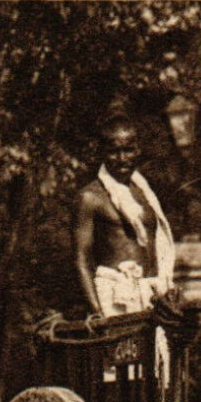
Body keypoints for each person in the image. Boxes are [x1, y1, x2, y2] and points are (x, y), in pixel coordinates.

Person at [74, 114, 177, 321]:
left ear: (138, 150)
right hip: (114, 298)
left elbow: (157, 248)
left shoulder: (145, 194)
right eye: (114, 152)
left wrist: (166, 287)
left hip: (153, 294)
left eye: (128, 150)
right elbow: (81, 258)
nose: (122, 158)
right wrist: (98, 313)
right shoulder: (90, 197)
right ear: (102, 153)